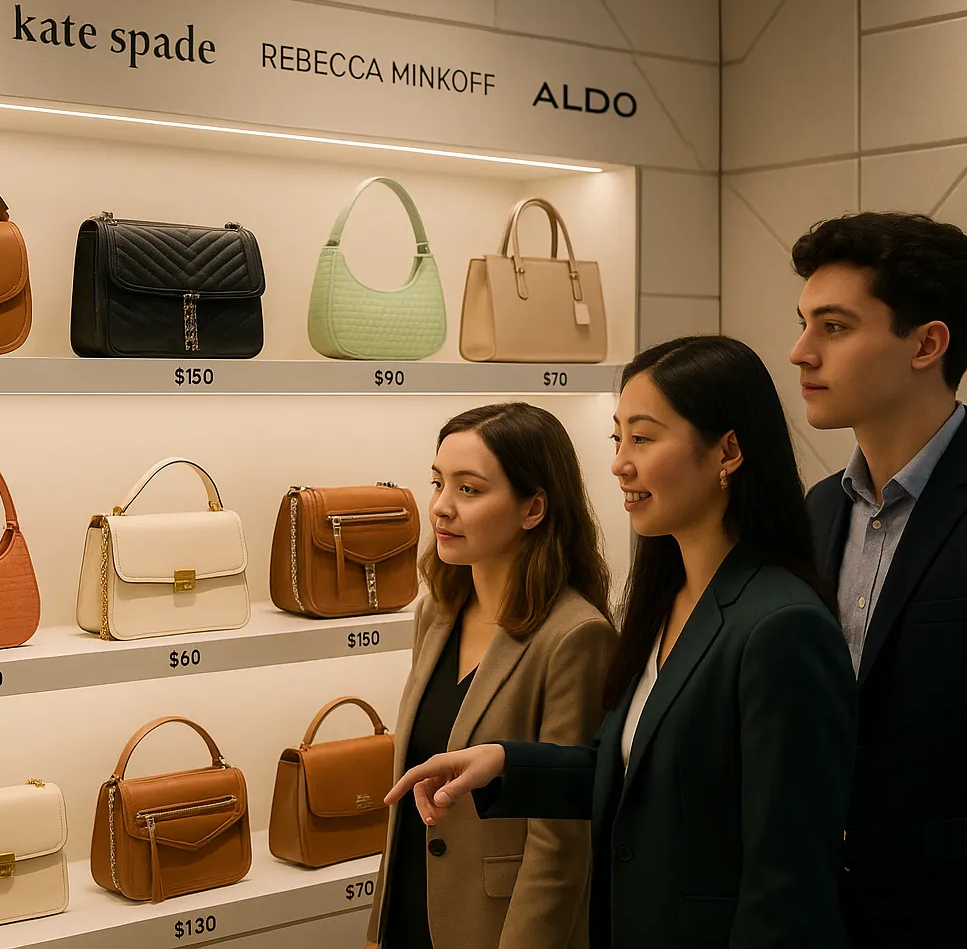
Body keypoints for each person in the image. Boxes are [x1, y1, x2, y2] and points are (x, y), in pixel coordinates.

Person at [384, 335, 856, 949]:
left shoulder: (781, 625)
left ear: (728, 451)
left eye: (643, 437)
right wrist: (506, 762)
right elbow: (630, 780)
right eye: (617, 438)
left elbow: (786, 880)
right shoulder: (664, 603)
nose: (618, 464)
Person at [789, 212, 967, 947]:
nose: (801, 352)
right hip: (817, 911)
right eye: (804, 324)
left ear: (928, 343)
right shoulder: (818, 511)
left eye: (835, 328)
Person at [366, 402, 617, 949]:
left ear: (534, 508)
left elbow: (561, 841)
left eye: (470, 490)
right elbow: (410, 786)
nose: (440, 508)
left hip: (496, 928)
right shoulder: (437, 613)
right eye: (438, 483)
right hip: (412, 914)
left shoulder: (574, 636)